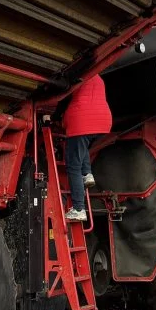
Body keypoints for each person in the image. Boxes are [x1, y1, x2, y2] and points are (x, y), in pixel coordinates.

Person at [61, 75, 111, 221]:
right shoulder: (99, 78)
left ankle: (78, 209)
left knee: (73, 166)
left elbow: (62, 99)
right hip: (103, 122)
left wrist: (54, 116)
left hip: (81, 121)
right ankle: (87, 174)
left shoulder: (77, 77)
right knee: (82, 147)